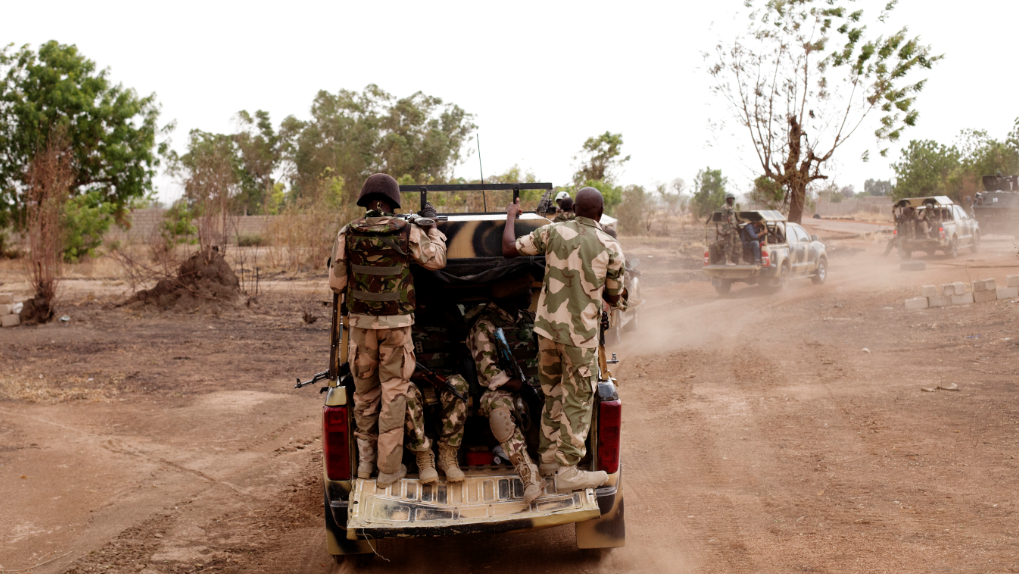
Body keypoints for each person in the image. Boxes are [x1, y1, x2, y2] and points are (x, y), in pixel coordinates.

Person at [501, 187, 626, 493]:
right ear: (599, 213)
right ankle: (567, 470)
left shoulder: (552, 232)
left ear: (575, 209)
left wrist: (510, 216)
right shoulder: (609, 245)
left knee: (552, 393)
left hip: (547, 331)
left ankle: (546, 461)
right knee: (578, 399)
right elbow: (613, 294)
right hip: (580, 337)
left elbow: (508, 249)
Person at [328, 173, 449, 487]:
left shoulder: (348, 232)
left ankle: (365, 467)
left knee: (365, 398)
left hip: (360, 328)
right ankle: (388, 470)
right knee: (394, 396)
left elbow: (336, 283)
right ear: (393, 203)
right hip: (396, 329)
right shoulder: (406, 230)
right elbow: (436, 262)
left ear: (365, 202)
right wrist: (434, 230)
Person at [466, 293, 546, 504]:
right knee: (499, 415)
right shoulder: (484, 325)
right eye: (526, 289)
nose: (530, 293)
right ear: (509, 294)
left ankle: (560, 464)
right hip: (504, 387)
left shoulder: (530, 318)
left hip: (537, 384)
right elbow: (488, 373)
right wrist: (523, 388)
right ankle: (529, 476)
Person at [405, 304, 470, 483]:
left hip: (443, 377)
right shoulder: (403, 322)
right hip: (413, 379)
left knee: (459, 387)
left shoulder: (445, 318)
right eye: (420, 298)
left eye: (429, 298)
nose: (424, 303)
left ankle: (447, 456)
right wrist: (411, 374)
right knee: (405, 392)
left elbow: (465, 338)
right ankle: (424, 457)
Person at [718, 192, 740, 265]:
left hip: (733, 228)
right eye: (729, 198)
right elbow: (724, 220)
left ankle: (735, 259)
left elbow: (732, 218)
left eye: (732, 199)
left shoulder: (731, 208)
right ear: (727, 199)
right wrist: (727, 230)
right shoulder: (725, 207)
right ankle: (728, 260)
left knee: (736, 243)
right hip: (729, 230)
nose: (731, 200)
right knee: (728, 244)